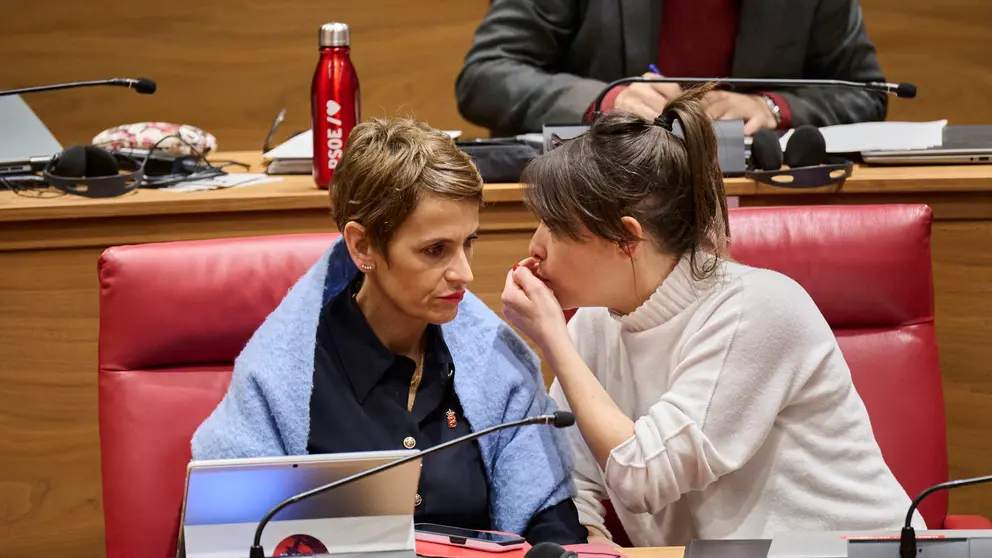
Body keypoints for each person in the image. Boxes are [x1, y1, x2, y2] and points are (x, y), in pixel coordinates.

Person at [498, 86, 924, 547]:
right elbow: (569, 478)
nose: (535, 246)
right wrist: (593, 543)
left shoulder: (756, 309)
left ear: (626, 239)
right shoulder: (595, 322)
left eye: (557, 226)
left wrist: (553, 341)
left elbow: (644, 476)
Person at [191, 117, 587, 545]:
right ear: (362, 247)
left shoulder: (500, 368)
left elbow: (554, 529)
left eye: (468, 241)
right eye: (435, 250)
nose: (464, 273)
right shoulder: (281, 381)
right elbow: (222, 541)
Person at [456, 0, 887, 136]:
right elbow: (486, 76)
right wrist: (607, 100)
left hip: (757, 205)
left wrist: (773, 109)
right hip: (600, 200)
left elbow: (866, 90)